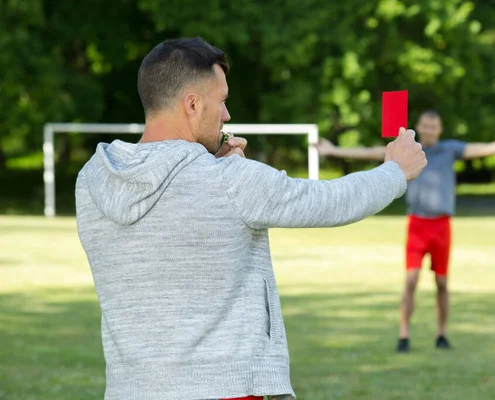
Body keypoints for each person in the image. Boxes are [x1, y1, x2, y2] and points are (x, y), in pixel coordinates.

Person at [75, 37, 426, 400]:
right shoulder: (231, 181)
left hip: (130, 390)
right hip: (227, 388)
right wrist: (395, 171)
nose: (226, 115)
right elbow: (329, 201)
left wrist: (216, 164)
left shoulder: (91, 181)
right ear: (192, 104)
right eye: (222, 101)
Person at [315, 110, 495, 353]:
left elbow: (486, 148)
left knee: (442, 283)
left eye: (434, 126)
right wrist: (333, 150)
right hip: (417, 224)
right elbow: (372, 152)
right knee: (410, 281)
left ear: (440, 129)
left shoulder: (450, 150)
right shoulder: (409, 151)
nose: (429, 129)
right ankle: (404, 335)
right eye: (425, 125)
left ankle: (441, 334)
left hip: (441, 225)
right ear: (419, 127)